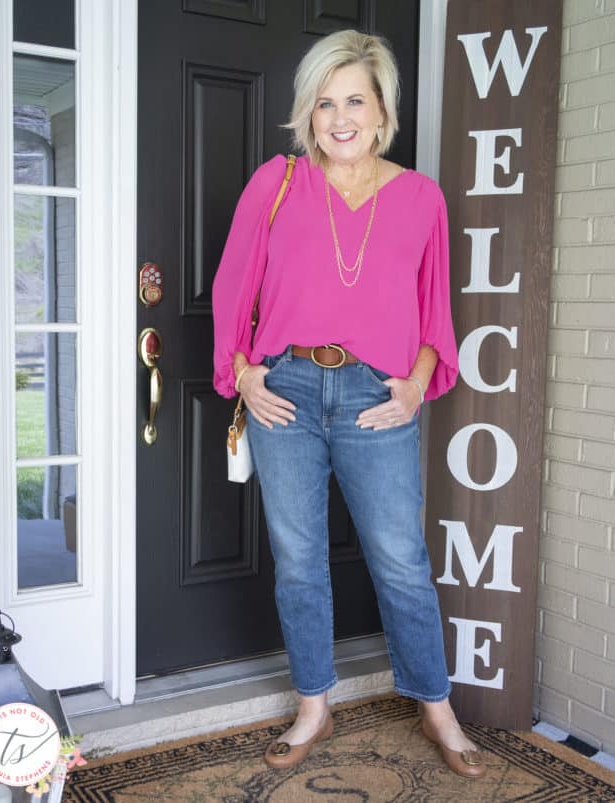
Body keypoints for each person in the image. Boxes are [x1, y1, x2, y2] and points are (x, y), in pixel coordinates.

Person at [212, 29, 486, 778]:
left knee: (400, 559)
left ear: (381, 109)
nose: (340, 117)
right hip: (287, 392)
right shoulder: (275, 183)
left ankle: (436, 704)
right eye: (325, 101)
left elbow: (434, 307)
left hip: (375, 395)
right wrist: (243, 372)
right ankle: (314, 704)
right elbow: (235, 286)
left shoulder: (420, 197)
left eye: (354, 100)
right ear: (308, 110)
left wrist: (415, 382)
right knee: (299, 562)